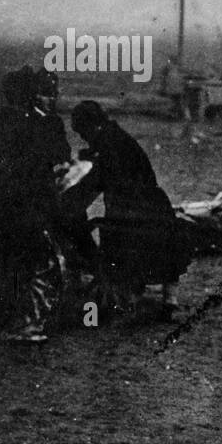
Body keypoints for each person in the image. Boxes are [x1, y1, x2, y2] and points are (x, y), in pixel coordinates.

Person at [67, 100, 189, 318]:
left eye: (83, 132)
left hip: (134, 205)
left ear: (91, 125)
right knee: (158, 247)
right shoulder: (113, 136)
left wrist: (72, 201)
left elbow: (99, 179)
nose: (83, 137)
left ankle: (129, 295)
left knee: (123, 242)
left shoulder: (109, 143)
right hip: (152, 202)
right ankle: (168, 297)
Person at [0, 66, 68, 342]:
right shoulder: (39, 126)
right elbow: (50, 161)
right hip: (31, 204)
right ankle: (26, 323)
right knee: (34, 261)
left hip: (4, 204)